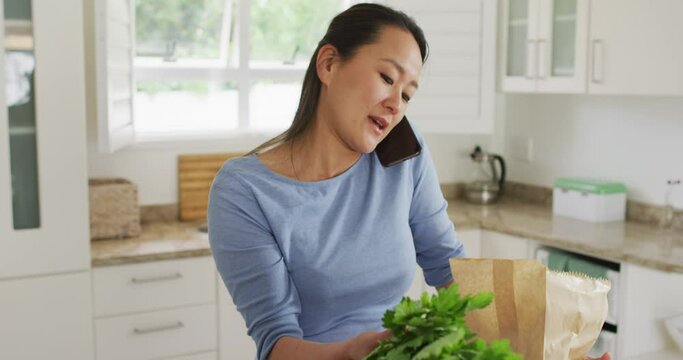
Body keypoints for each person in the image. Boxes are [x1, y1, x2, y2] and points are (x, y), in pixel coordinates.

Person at [208, 3, 611, 360]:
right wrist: (348, 353)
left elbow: (448, 266)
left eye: (408, 94)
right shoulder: (244, 191)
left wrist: (539, 349)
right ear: (329, 64)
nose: (396, 104)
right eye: (387, 77)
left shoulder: (401, 151)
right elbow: (276, 342)